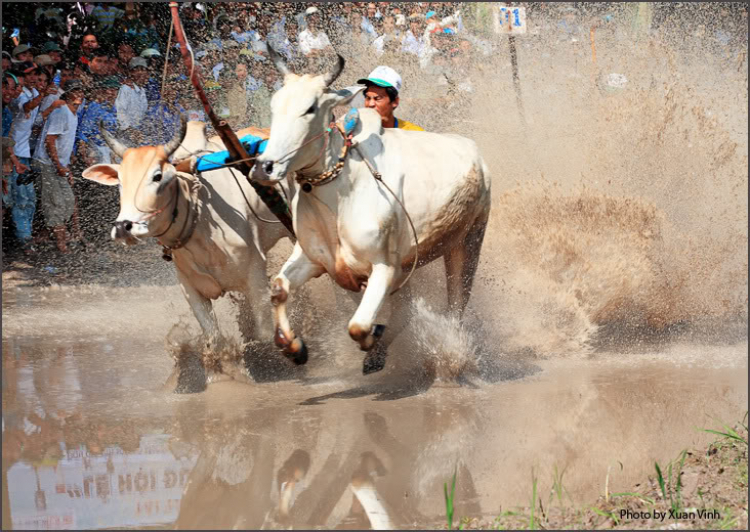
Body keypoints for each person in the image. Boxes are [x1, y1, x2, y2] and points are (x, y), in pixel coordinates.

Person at [32, 79, 84, 254]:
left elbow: (63, 140)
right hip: (47, 163)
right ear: (67, 95)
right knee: (55, 203)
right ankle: (61, 245)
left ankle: (46, 234)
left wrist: (68, 159)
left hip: (60, 164)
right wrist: (58, 164)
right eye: (75, 92)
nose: (80, 95)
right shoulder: (61, 112)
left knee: (68, 201)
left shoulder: (73, 113)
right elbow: (49, 140)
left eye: (81, 92)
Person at [357, 66, 424, 131]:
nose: (370, 104)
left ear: (395, 101)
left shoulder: (413, 134)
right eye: (368, 98)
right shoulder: (357, 131)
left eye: (378, 98)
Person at [115, 56, 149, 141]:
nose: (140, 73)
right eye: (137, 70)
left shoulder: (142, 91)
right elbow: (119, 111)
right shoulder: (126, 88)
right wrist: (129, 130)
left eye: (143, 69)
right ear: (130, 73)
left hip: (137, 134)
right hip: (125, 134)